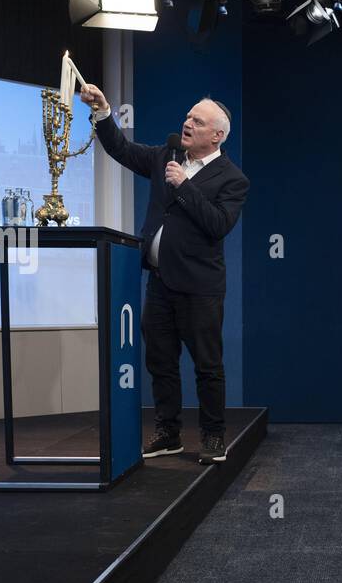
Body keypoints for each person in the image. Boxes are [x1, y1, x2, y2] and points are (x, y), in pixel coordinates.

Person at [79, 83, 249, 465]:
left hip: (199, 289)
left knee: (207, 365)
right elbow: (122, 151)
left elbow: (218, 225)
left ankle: (213, 436)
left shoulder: (232, 179)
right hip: (159, 283)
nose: (187, 123)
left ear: (216, 135)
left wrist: (185, 186)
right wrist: (104, 112)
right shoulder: (166, 155)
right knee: (160, 361)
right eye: (188, 116)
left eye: (197, 121)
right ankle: (169, 433)